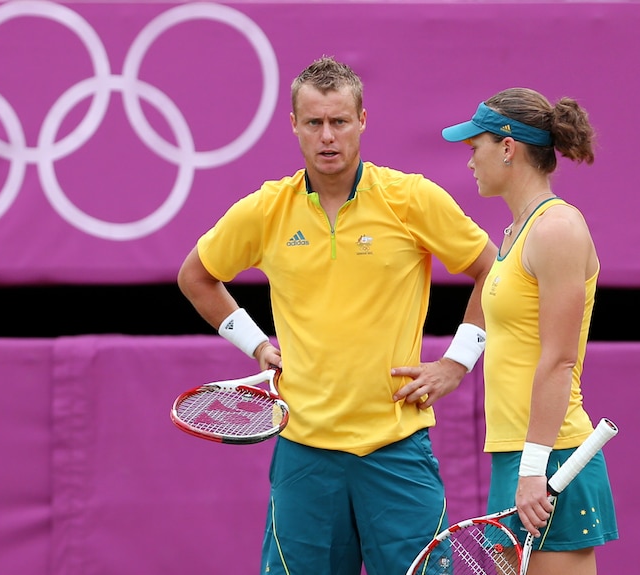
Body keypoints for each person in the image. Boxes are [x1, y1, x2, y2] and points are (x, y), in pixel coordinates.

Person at [177, 55, 497, 575]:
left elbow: (493, 270)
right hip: (304, 453)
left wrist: (457, 362)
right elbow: (196, 276)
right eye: (315, 123)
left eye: (339, 122)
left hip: (397, 450)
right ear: (295, 126)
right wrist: (258, 345)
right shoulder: (265, 209)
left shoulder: (410, 198)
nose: (328, 137)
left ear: (362, 122)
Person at [439, 89, 618, 574]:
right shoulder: (516, 231)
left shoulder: (556, 229)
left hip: (550, 457)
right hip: (518, 455)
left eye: (475, 145)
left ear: (507, 147)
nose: (470, 159)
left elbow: (559, 360)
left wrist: (535, 467)